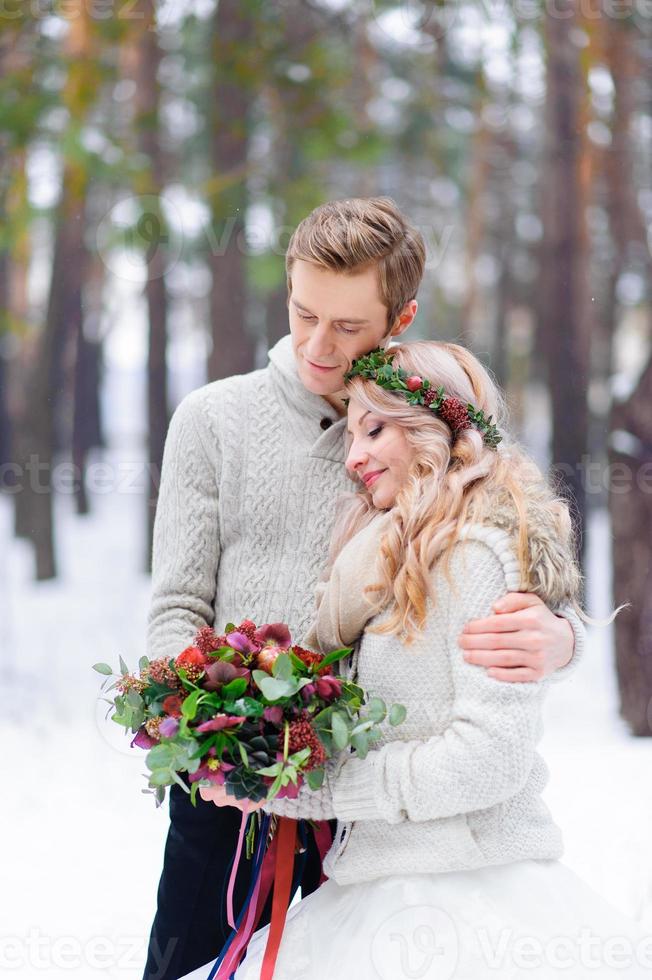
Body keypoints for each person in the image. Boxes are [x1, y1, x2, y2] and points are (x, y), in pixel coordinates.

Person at [143, 198, 582, 980]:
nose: (318, 345)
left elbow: (512, 534)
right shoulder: (213, 420)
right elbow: (176, 606)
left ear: (399, 317)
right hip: (235, 799)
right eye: (304, 313)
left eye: (347, 328)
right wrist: (223, 738)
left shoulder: (430, 414)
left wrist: (561, 634)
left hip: (371, 805)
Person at [196, 340, 648, 980]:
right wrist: (259, 766)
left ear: (435, 430)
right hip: (374, 882)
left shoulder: (476, 557)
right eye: (352, 433)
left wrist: (314, 793)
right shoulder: (382, 565)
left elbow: (487, 759)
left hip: (462, 898)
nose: (353, 458)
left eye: (374, 429)